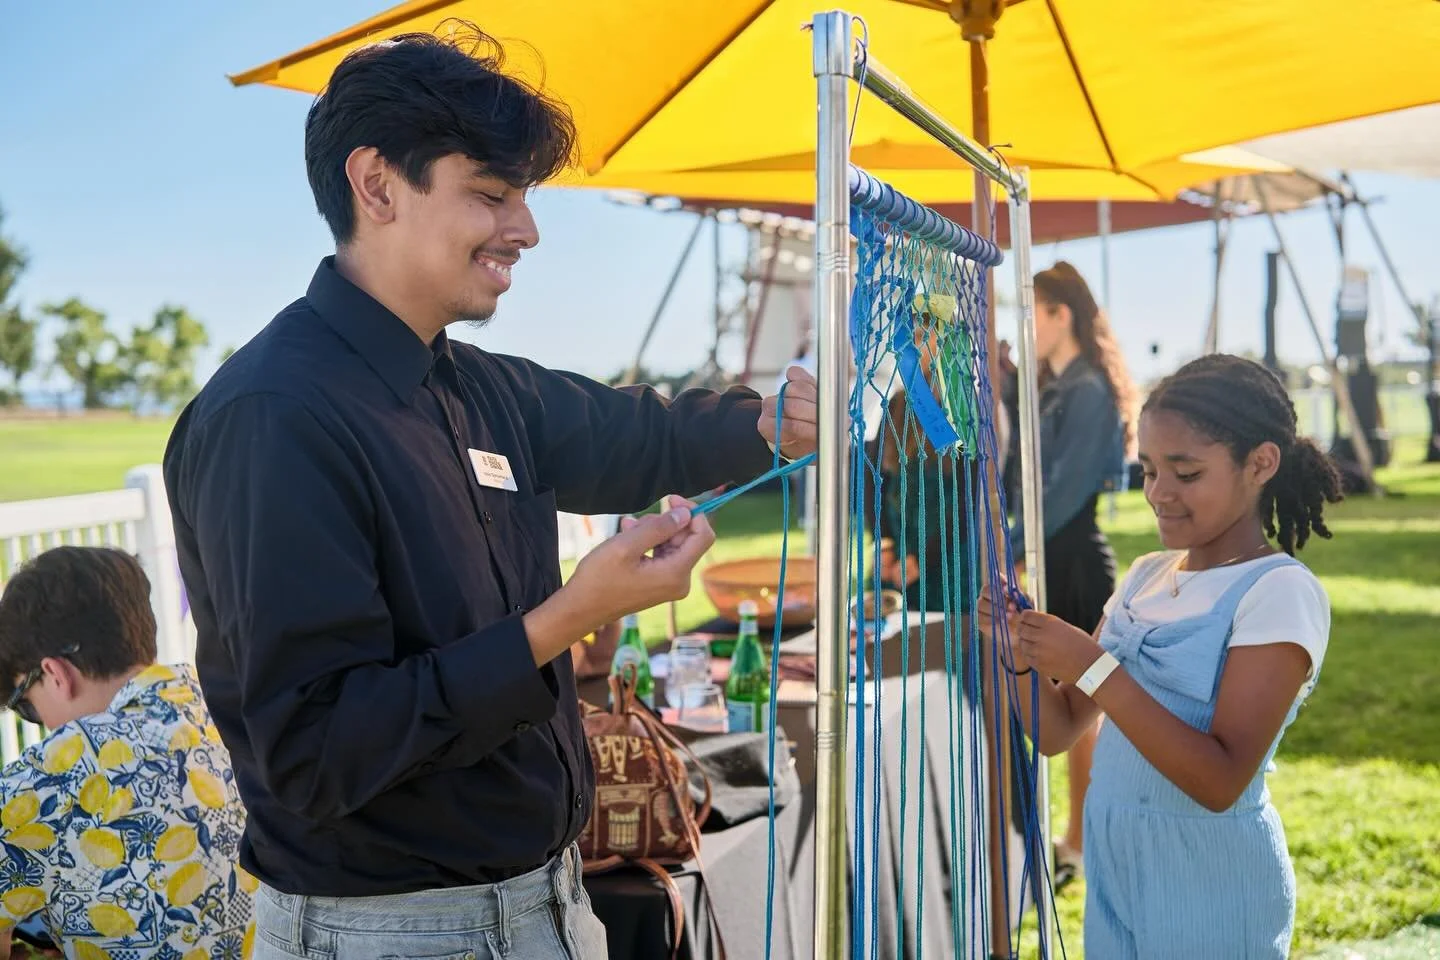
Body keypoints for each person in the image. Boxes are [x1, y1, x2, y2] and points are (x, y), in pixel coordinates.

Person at [162, 26, 817, 960]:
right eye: (490, 195)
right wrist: (563, 620)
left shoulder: (479, 388)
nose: (527, 229)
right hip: (390, 935)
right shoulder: (275, 417)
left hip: (547, 905)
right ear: (377, 184)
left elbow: (638, 433)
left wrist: (772, 421)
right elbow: (315, 753)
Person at [980, 353, 1342, 958]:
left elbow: (1221, 779)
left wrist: (1093, 664)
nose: (1159, 493)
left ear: (1261, 464)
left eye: (1186, 472)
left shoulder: (1277, 591)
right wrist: (1015, 649)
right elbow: (1057, 729)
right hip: (1115, 860)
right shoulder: (1147, 575)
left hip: (1209, 877)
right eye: (1148, 470)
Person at [0, 546, 254, 959]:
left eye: (26, 705)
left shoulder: (46, 778)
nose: (42, 725)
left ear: (55, 674)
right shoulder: (231, 706)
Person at [1009, 261, 1137, 885]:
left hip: (1075, 564)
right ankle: (1075, 836)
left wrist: (1003, 544)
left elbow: (1059, 497)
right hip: (1047, 558)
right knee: (1064, 710)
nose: (1024, 326)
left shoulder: (1086, 390)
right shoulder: (1050, 384)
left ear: (1060, 314)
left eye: (1030, 311)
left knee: (1080, 713)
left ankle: (1082, 841)